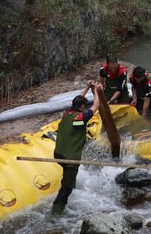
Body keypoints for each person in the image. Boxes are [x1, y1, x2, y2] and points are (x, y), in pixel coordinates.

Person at [51, 83, 100, 215]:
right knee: (66, 187)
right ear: (82, 106)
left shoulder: (66, 113)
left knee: (69, 177)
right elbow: (96, 105)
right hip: (70, 158)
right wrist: (96, 91)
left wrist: (88, 87)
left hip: (59, 154)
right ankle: (56, 212)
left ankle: (73, 190)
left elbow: (77, 99)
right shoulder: (81, 118)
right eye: (84, 106)